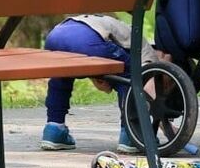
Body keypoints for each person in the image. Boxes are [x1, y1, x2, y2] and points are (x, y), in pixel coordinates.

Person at [39, 15, 162, 152]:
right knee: (131, 73)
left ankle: (54, 130)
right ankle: (131, 134)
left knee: (61, 75)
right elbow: (147, 83)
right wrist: (158, 117)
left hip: (55, 36)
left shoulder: (110, 24)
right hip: (88, 41)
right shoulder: (146, 49)